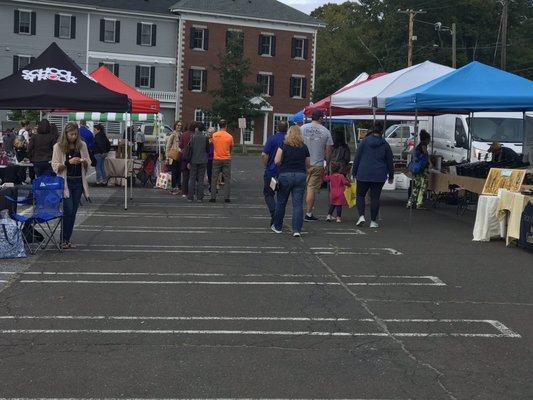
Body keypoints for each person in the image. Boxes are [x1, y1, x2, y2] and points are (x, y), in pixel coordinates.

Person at [52, 122, 90, 249]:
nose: (73, 137)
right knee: (67, 210)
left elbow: (88, 162)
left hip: (78, 181)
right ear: (65, 134)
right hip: (66, 182)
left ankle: (67, 240)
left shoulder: (82, 145)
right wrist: (68, 162)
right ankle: (63, 239)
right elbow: (55, 166)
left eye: (75, 134)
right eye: (71, 134)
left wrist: (83, 162)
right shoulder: (58, 146)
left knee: (73, 212)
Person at [271, 125, 310, 237]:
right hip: (300, 175)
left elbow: (277, 160)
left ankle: (277, 227)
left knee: (281, 202)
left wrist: (282, 163)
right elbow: (308, 164)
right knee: (297, 204)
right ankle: (296, 229)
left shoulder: (283, 145)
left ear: (289, 134)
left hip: (285, 175)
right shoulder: (304, 147)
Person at [352, 125, 394, 228]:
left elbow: (357, 157)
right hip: (379, 174)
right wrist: (391, 175)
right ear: (382, 132)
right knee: (375, 197)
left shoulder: (364, 142)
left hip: (363, 172)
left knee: (360, 195)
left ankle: (361, 216)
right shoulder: (385, 144)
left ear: (372, 130)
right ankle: (373, 221)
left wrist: (354, 172)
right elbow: (390, 161)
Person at [301, 110, 333, 221]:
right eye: (323, 117)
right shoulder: (326, 131)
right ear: (320, 118)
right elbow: (328, 150)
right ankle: (308, 213)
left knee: (300, 187)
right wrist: (327, 164)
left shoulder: (302, 128)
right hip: (317, 163)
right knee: (311, 188)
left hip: (302, 162)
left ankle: (298, 208)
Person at [261, 120, 288, 225]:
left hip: (272, 171)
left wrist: (266, 165)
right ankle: (278, 216)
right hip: (285, 172)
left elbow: (264, 154)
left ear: (277, 128)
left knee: (268, 194)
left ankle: (274, 213)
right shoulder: (290, 140)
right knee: (282, 196)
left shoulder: (272, 139)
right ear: (287, 128)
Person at [209, 119, 234, 203]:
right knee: (227, 178)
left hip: (216, 158)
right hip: (226, 158)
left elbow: (212, 144)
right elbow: (231, 147)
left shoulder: (214, 135)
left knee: (214, 178)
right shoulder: (229, 136)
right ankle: (226, 197)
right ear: (226, 126)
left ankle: (213, 197)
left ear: (219, 126)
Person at [407, 130, 431, 210]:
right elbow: (425, 155)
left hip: (417, 168)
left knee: (416, 186)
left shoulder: (418, 146)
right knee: (423, 185)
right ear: (426, 139)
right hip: (422, 168)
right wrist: (430, 163)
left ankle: (410, 202)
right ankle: (419, 203)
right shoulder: (423, 145)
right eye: (429, 140)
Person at [187, 122, 209, 202]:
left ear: (197, 128)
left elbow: (190, 150)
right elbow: (208, 150)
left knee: (192, 179)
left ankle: (190, 196)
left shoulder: (193, 137)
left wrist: (188, 161)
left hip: (193, 160)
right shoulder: (205, 138)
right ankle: (200, 197)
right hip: (203, 160)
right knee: (200, 179)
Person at [166, 121, 182, 194]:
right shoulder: (173, 134)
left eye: (180, 125)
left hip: (180, 155)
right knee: (174, 172)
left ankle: (178, 187)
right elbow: (168, 146)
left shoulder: (181, 134)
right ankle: (173, 187)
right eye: (178, 125)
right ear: (175, 126)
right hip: (173, 155)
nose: (179, 127)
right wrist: (167, 157)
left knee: (179, 172)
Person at [179, 122, 194, 197]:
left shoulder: (183, 135)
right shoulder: (194, 135)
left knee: (185, 176)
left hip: (184, 156)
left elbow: (180, 145)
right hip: (193, 157)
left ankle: (184, 192)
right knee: (193, 176)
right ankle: (192, 191)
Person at [206, 127, 215, 194]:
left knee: (211, 174)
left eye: (210, 132)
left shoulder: (214, 140)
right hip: (206, 159)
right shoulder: (206, 139)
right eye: (208, 132)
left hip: (212, 159)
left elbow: (211, 151)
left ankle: (212, 188)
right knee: (209, 174)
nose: (209, 133)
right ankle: (211, 186)